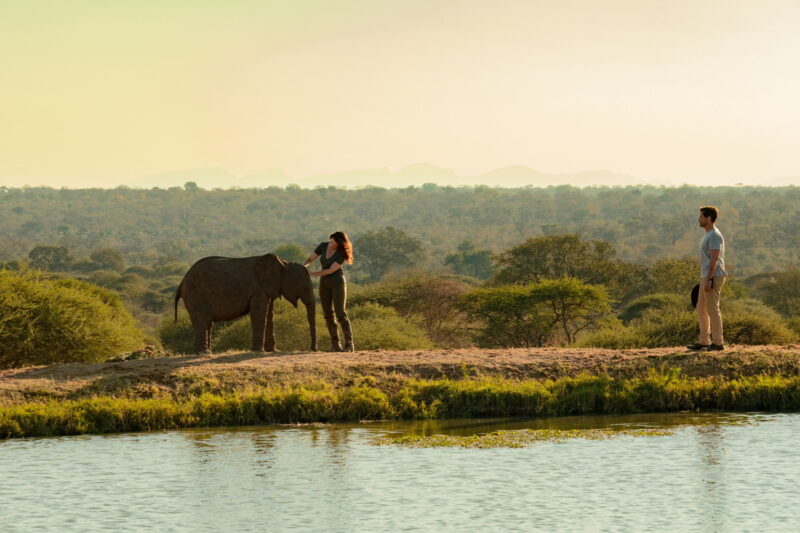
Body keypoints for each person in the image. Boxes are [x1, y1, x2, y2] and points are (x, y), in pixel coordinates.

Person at [303, 231, 355, 352]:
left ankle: (349, 344)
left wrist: (312, 274)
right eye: (330, 241)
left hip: (337, 282)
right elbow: (310, 258)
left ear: (339, 243)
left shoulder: (342, 253)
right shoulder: (323, 246)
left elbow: (331, 270)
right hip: (324, 283)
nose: (331, 244)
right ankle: (335, 344)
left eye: (333, 243)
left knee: (340, 313)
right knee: (328, 314)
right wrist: (303, 267)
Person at [687, 206, 728, 351]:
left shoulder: (715, 235)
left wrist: (709, 279)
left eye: (701, 217)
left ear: (709, 218)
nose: (699, 219)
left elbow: (715, 259)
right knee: (700, 309)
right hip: (706, 275)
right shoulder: (707, 234)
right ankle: (704, 341)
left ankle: (718, 343)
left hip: (713, 275)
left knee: (712, 309)